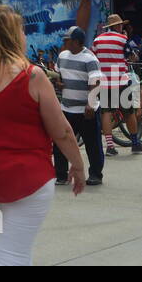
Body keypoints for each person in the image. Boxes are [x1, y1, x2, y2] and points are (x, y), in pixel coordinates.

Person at [0, 5, 86, 266]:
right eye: (21, 29)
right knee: (14, 253)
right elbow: (62, 131)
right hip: (26, 178)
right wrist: (77, 164)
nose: (24, 34)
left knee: (12, 244)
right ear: (13, 35)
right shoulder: (32, 76)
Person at [53, 26, 104, 186]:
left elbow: (96, 81)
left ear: (76, 42)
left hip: (85, 110)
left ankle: (95, 174)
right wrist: (59, 82)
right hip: (66, 108)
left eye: (66, 40)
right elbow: (58, 74)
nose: (64, 42)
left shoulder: (90, 59)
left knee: (92, 144)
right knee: (61, 142)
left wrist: (90, 103)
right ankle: (61, 175)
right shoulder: (62, 56)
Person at [93, 14, 142, 155]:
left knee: (106, 112)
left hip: (104, 81)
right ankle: (135, 143)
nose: (122, 26)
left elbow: (94, 57)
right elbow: (132, 57)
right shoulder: (122, 39)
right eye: (121, 24)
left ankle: (110, 147)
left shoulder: (97, 40)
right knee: (128, 112)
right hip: (120, 81)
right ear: (117, 26)